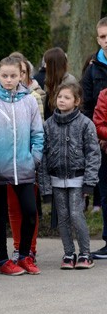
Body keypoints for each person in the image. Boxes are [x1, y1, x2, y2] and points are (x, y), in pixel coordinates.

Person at [0, 56, 44, 276]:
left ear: (21, 76)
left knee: (30, 212)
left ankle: (24, 256)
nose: (8, 80)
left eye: (13, 75)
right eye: (4, 75)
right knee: (0, 215)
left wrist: (34, 159)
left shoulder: (29, 101)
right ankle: (3, 260)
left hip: (24, 167)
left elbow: (38, 133)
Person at [39, 82, 100, 269]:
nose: (62, 100)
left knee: (75, 214)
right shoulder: (48, 125)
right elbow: (43, 157)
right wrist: (45, 188)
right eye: (59, 97)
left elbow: (93, 154)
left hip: (78, 179)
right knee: (63, 217)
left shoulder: (85, 124)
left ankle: (85, 253)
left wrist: (89, 182)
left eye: (67, 97)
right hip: (57, 179)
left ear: (77, 101)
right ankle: (68, 254)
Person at [82, 17, 107, 258]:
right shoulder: (92, 70)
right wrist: (96, 135)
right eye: (102, 36)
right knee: (106, 193)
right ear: (97, 39)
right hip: (103, 142)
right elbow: (87, 106)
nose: (106, 41)